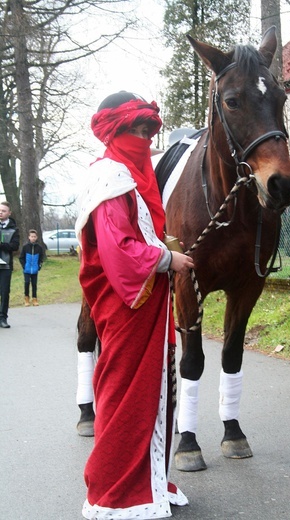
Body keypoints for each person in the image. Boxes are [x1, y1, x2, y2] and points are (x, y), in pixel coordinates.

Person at [75, 90, 194, 519]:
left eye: (149, 130)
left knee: (153, 392)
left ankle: (146, 481)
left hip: (147, 304)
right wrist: (167, 258)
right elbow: (118, 249)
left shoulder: (133, 176)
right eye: (136, 130)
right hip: (126, 306)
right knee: (126, 394)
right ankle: (112, 489)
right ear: (116, 131)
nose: (144, 139)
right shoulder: (111, 178)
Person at [0, 201, 20, 328]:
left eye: (3, 211)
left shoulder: (14, 229)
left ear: (9, 213)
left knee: (4, 291)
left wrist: (1, 245)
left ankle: (3, 317)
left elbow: (14, 246)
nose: (0, 213)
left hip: (5, 265)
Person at [19, 229, 44, 306]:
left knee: (34, 284)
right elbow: (21, 257)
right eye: (31, 236)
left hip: (35, 270)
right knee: (26, 283)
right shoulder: (25, 247)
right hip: (27, 269)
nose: (33, 238)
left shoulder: (39, 247)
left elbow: (41, 258)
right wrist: (24, 266)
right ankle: (26, 298)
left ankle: (34, 299)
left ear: (36, 237)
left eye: (34, 236)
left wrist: (39, 266)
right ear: (29, 237)